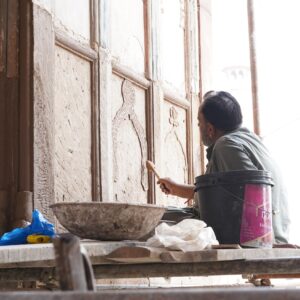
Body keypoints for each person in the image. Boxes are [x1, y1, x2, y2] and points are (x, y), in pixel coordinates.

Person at [158, 90, 290, 243]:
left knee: (154, 224)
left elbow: (252, 200)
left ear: (210, 129)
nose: (198, 127)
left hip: (263, 241)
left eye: (199, 123)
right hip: (270, 235)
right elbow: (226, 193)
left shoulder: (226, 145)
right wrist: (176, 189)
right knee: (161, 216)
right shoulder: (250, 139)